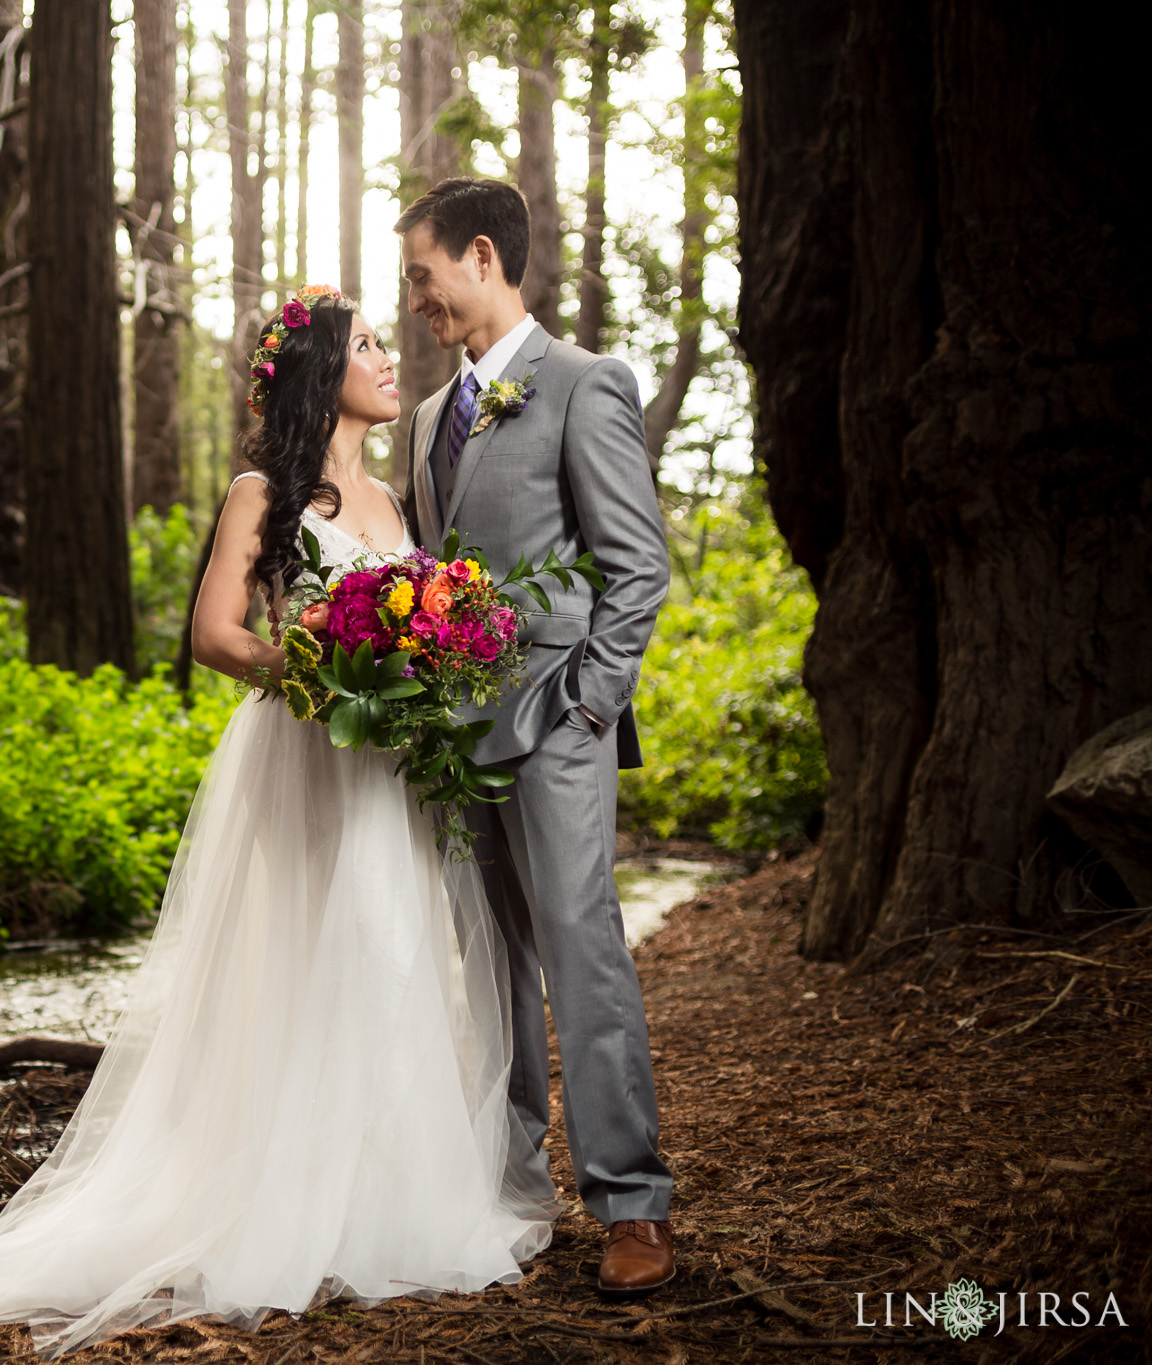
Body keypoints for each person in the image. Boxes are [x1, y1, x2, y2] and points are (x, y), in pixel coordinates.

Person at [0, 288, 562, 1357]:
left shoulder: (397, 504)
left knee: (395, 954)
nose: (387, 358)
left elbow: (423, 616)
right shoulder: (262, 492)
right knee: (316, 952)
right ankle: (278, 1202)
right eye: (365, 345)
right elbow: (215, 634)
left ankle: (386, 1197)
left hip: (385, 761)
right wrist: (318, 663)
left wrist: (419, 668)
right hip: (306, 749)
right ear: (322, 371)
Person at [396, 177, 676, 1296]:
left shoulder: (580, 384)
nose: (413, 297)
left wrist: (587, 705)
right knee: (490, 969)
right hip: (453, 738)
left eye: (420, 274)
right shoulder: (423, 423)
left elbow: (634, 563)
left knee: (579, 949)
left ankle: (633, 1206)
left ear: (477, 257)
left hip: (557, 721)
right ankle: (514, 1192)